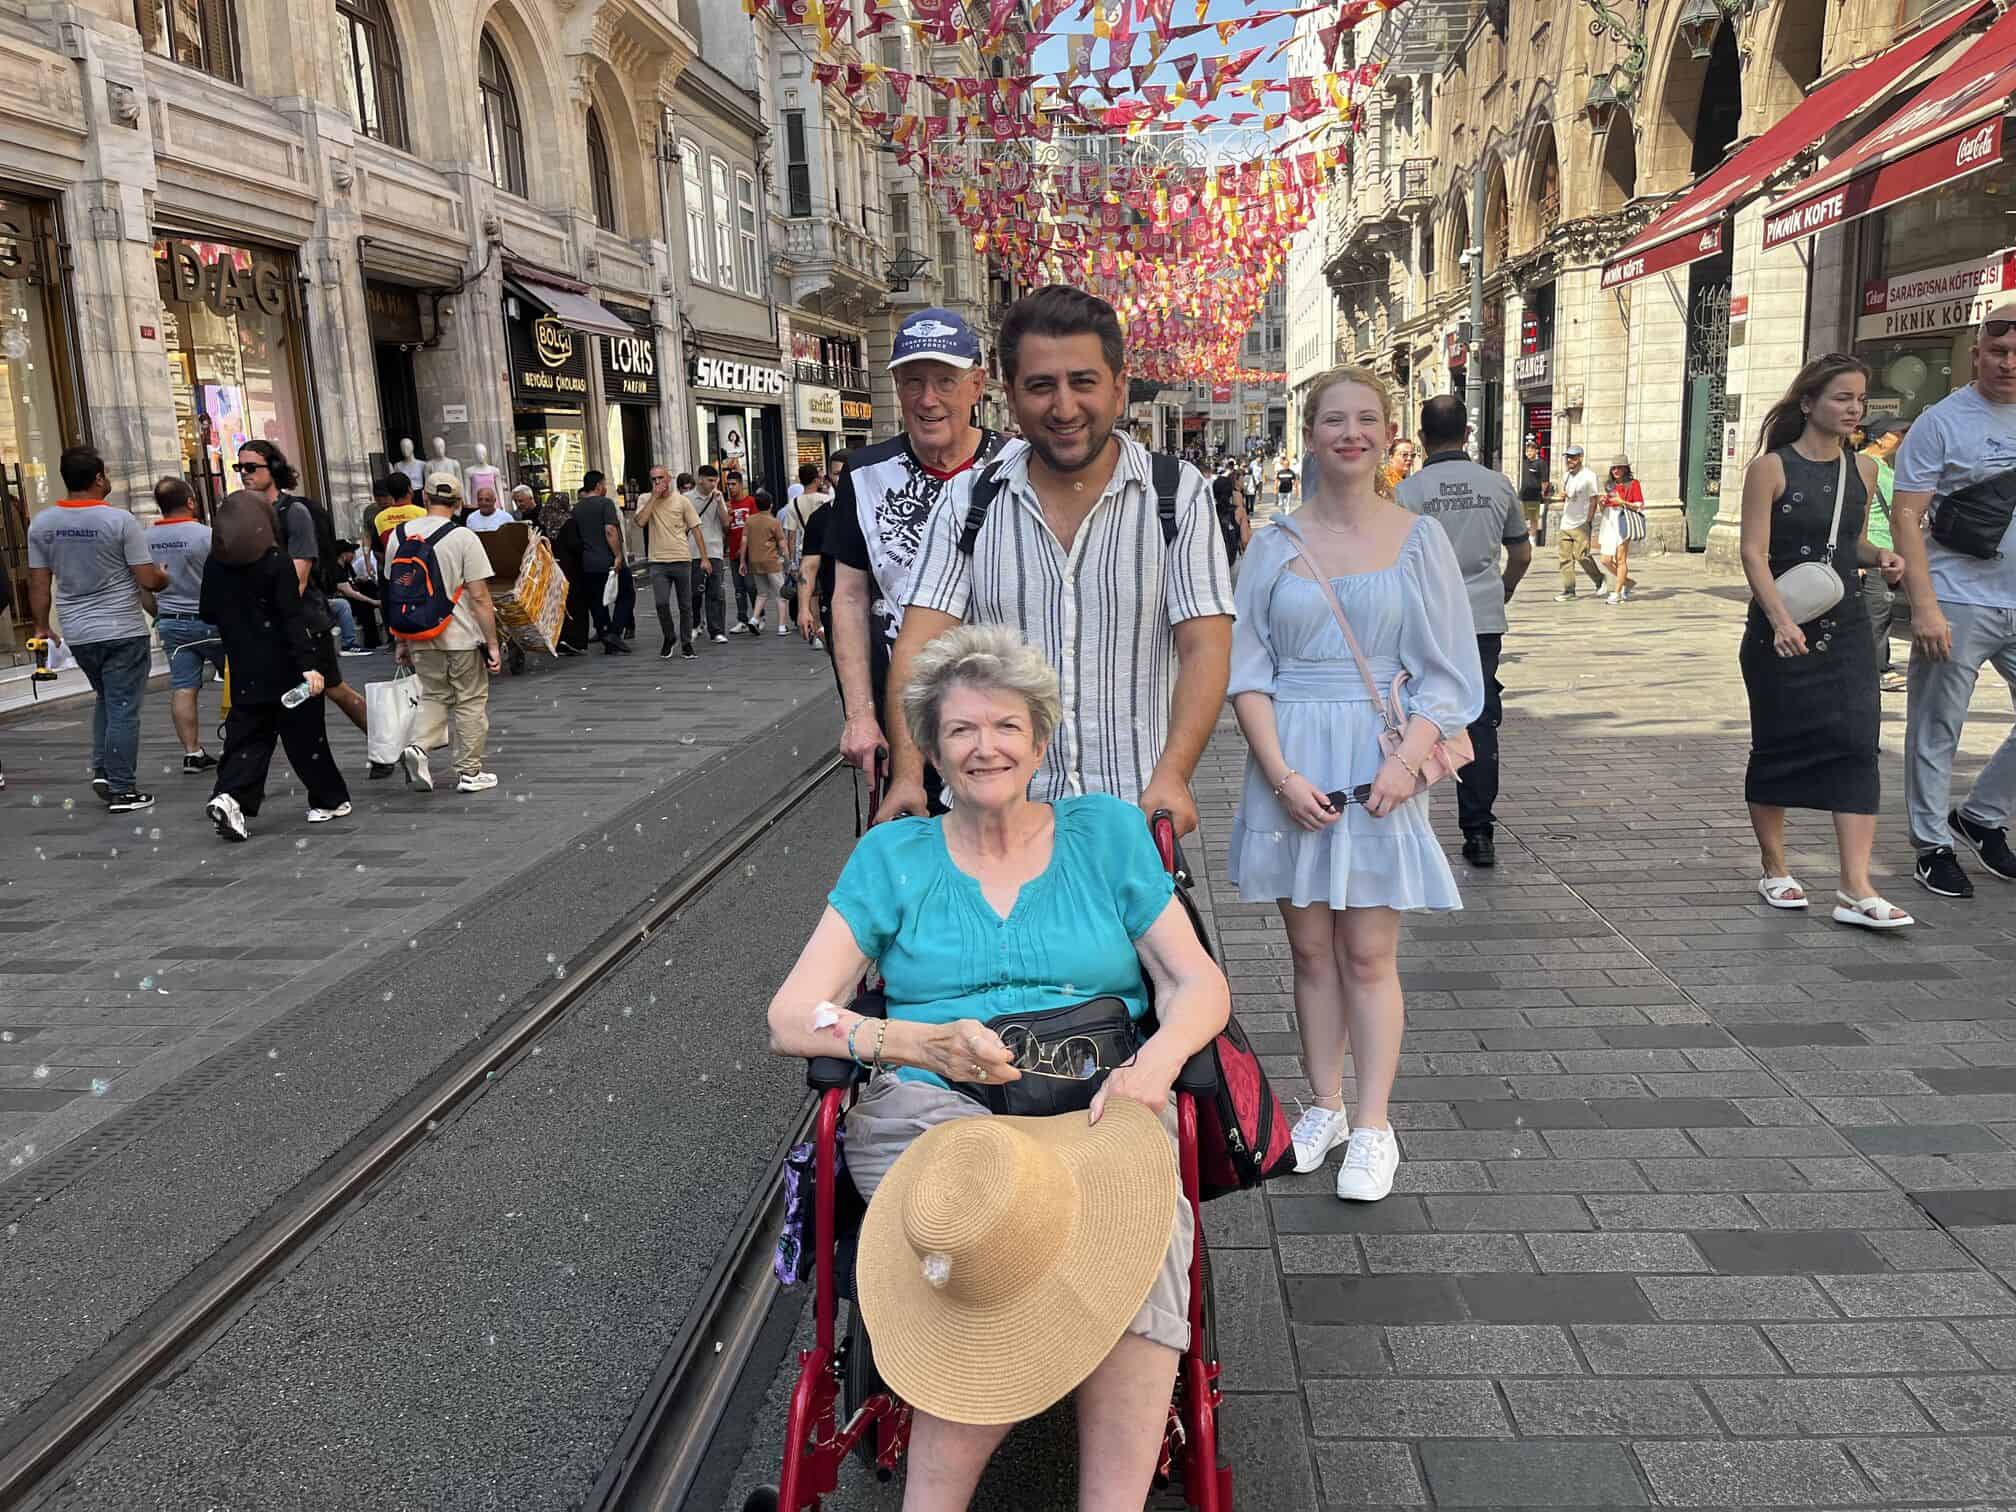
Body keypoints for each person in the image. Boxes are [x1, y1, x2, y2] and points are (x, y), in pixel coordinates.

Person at [763, 624, 1230, 1509]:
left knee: (1144, 1221)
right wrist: (914, 1043)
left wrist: (1157, 1063)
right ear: (933, 753)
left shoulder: (1106, 835)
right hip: (933, 1106)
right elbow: (793, 1015)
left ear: (1040, 742)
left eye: (1007, 726)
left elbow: (1196, 982)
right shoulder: (894, 859)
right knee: (990, 1220)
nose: (986, 747)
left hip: (1095, 1096)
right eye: (961, 731)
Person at [1225, 366, 1485, 1202]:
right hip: (1291, 761)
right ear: (1308, 435)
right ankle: (1326, 1105)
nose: (1351, 434)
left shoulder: (1419, 539)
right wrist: (1279, 773)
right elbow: (1247, 671)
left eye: (1366, 419)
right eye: (1334, 420)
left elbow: (1451, 674)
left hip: (1380, 764)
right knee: (1309, 952)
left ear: (1388, 433)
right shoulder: (1272, 544)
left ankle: (1374, 1123)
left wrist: (1406, 765)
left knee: (1368, 954)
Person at [887, 286, 1233, 835]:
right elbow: (916, 650)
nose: (1064, 407)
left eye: (1084, 382)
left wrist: (1174, 775)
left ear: (1118, 388)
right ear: (1009, 394)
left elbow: (1205, 648)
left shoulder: (1177, 494)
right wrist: (907, 775)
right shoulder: (967, 501)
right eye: (1041, 386)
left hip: (1135, 819)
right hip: (995, 824)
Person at [1738, 354, 1912, 928]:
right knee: (1778, 743)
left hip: (1847, 629)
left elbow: (1848, 542)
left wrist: (1882, 556)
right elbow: (1753, 553)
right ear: (1809, 402)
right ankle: (1775, 868)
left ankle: (1855, 887)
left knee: (1858, 745)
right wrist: (1780, 620)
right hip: (1780, 629)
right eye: (1842, 397)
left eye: (1860, 399)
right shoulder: (1771, 468)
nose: (1854, 409)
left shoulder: (1863, 470)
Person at [830, 308, 1008, 774]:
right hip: (908, 719)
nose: (928, 399)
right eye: (913, 382)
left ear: (976, 385)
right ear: (896, 387)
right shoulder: (863, 474)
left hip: (1006, 720)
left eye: (945, 382)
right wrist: (860, 715)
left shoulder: (1018, 465)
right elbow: (848, 598)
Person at [1891, 303, 2016, 898]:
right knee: (1936, 728)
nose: (2009, 364)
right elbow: (1906, 516)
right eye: (1998, 352)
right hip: (1957, 601)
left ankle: (1981, 816)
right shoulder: (1940, 422)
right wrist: (1924, 606)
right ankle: (1931, 845)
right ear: (1976, 356)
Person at [1397, 394, 1532, 869]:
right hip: (1481, 618)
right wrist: (1504, 588)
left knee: (1413, 714)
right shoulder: (1497, 485)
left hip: (1427, 619)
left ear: (1422, 437)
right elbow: (1521, 553)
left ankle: (1406, 822)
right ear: (1467, 434)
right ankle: (1478, 831)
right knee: (1478, 716)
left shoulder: (1408, 493)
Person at [25, 445, 169, 812]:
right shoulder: (119, 521)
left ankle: (105, 771)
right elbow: (147, 579)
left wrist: (41, 626)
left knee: (107, 699)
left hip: (78, 632)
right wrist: (163, 577)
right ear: (99, 478)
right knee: (123, 707)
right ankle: (122, 788)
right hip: (122, 629)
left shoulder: (42, 523)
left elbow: (39, 582)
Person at [200, 489, 346, 839]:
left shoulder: (215, 563)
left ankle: (229, 795)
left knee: (248, 736)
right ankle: (327, 799)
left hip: (244, 664)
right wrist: (309, 664)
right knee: (305, 737)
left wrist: (238, 615)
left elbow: (207, 611)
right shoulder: (275, 561)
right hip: (285, 661)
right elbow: (291, 616)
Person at [237, 440, 373, 754]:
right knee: (276, 699)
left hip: (305, 621)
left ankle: (387, 742)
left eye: (251, 467)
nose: (244, 473)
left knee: (334, 689)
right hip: (267, 623)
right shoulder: (246, 512)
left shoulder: (293, 512)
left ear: (273, 468)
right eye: (239, 467)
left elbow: (297, 579)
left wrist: (274, 618)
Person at [389, 475, 503, 793]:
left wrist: (400, 640)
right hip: (462, 633)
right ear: (458, 503)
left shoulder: (400, 535)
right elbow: (479, 597)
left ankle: (419, 747)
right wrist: (493, 643)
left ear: (424, 498)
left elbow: (396, 592)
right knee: (470, 698)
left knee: (433, 694)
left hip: (419, 632)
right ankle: (469, 771)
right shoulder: (463, 537)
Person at [143, 476, 227, 774]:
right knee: (238, 681)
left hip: (172, 623)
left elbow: (143, 587)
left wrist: (159, 613)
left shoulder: (144, 539)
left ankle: (192, 752)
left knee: (183, 687)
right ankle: (234, 744)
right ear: (191, 502)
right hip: (213, 622)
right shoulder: (207, 536)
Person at [1859, 416, 1911, 694]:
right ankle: (1875, 671)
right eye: (1899, 434)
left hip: (1888, 551)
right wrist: (1857, 555)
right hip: (1873, 551)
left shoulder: (1884, 467)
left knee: (1882, 611)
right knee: (1876, 613)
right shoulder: (1865, 465)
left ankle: (1879, 665)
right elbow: (1856, 510)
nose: (1902, 439)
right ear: (1881, 437)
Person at [635, 463, 708, 660]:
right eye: (654, 479)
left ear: (669, 479)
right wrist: (654, 497)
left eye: (661, 478)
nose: (658, 482)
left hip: (681, 558)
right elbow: (640, 522)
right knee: (661, 603)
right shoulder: (645, 499)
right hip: (657, 561)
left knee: (685, 605)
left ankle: (686, 643)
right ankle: (669, 636)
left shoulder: (682, 501)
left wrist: (704, 558)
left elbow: (696, 529)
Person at [572, 470, 629, 653]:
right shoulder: (605, 503)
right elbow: (610, 530)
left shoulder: (577, 508)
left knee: (597, 601)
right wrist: (618, 555)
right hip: (608, 560)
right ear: (598, 486)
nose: (605, 487)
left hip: (589, 562)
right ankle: (615, 632)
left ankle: (605, 634)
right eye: (604, 484)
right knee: (626, 594)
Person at [1553, 443, 1606, 600]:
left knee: (1581, 556)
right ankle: (1569, 590)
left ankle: (1599, 579)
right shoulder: (1566, 476)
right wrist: (1562, 496)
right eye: (1568, 457)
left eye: (1573, 457)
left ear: (1581, 458)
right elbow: (1567, 496)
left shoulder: (1589, 476)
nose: (1570, 460)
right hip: (1566, 522)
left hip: (1581, 522)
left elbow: (1594, 499)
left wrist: (1588, 521)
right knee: (1565, 559)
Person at [686, 464, 730, 644]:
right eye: (710, 480)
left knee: (715, 592)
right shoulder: (686, 499)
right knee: (694, 593)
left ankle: (716, 630)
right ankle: (695, 624)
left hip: (714, 550)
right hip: (692, 551)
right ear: (700, 480)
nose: (713, 484)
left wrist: (719, 503)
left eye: (715, 481)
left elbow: (726, 523)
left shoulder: (717, 497)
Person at [738, 487, 789, 635]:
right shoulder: (774, 522)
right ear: (771, 505)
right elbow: (782, 543)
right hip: (771, 561)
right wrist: (788, 560)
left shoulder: (749, 520)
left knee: (762, 593)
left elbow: (744, 541)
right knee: (781, 594)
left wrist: (742, 561)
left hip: (754, 561)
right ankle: (782, 626)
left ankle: (754, 619)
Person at [1596, 456, 1644, 604]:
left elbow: (1639, 505)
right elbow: (1603, 508)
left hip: (1623, 520)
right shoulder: (1609, 485)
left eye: (1619, 467)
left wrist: (1622, 502)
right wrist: (1602, 503)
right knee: (1605, 560)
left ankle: (1616, 593)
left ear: (1625, 469)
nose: (1616, 470)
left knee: (1621, 558)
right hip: (1609, 520)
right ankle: (1627, 582)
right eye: (1614, 468)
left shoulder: (1633, 484)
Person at [723, 470, 762, 634]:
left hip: (749, 552)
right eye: (728, 485)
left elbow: (757, 526)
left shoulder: (751, 502)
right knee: (739, 587)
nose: (730, 488)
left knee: (751, 585)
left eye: (733, 484)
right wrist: (726, 517)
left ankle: (758, 616)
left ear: (741, 484)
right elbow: (725, 530)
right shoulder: (727, 505)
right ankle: (742, 619)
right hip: (733, 551)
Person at [370, 472, 425, 547]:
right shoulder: (424, 513)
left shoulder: (379, 518)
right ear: (410, 490)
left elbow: (378, 550)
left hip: (392, 554)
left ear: (390, 492)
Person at [1211, 472, 1250, 572]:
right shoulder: (1239, 512)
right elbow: (1245, 540)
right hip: (1234, 558)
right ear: (1230, 492)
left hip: (1215, 560)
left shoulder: (1210, 512)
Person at [1518, 436, 1550, 546]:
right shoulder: (1524, 463)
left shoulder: (1541, 463)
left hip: (1534, 494)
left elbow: (1545, 480)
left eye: (1530, 451)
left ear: (1536, 451)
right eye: (1527, 451)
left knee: (1533, 518)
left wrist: (1543, 492)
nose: (1528, 453)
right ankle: (1523, 537)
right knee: (1521, 517)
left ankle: (1532, 539)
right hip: (1523, 494)